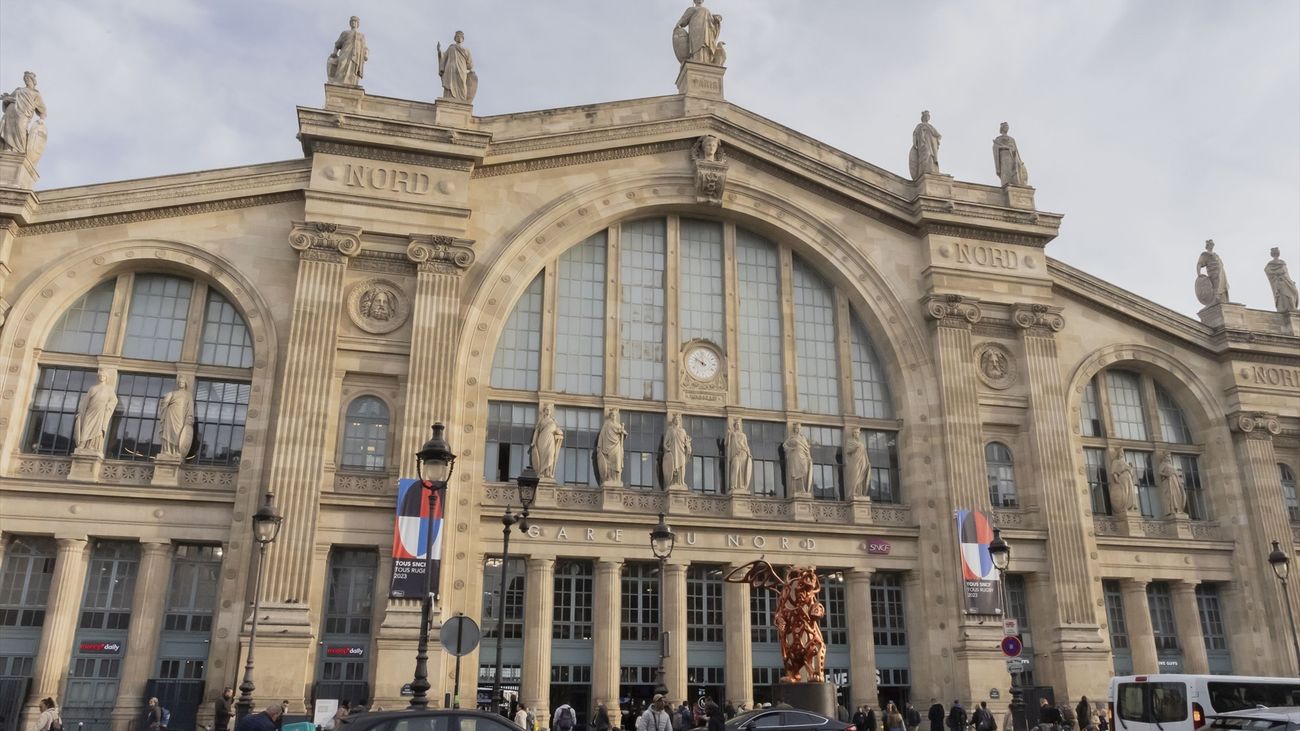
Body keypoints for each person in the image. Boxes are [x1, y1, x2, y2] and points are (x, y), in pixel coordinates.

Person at [0, 71, 46, 155]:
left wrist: (41, 120)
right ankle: (8, 148)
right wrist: (6, 99)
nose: (26, 80)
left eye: (28, 78)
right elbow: (9, 98)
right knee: (8, 130)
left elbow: (42, 109)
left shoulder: (36, 94)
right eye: (25, 78)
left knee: (20, 128)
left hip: (24, 114)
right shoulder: (18, 89)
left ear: (33, 80)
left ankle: (19, 150)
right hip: (10, 113)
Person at [326, 16, 368, 86]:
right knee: (342, 64)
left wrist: (366, 54)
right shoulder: (345, 33)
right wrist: (334, 53)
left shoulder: (361, 35)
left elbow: (364, 47)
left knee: (353, 69)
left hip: (356, 56)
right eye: (352, 21)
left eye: (355, 22)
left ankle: (351, 82)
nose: (353, 23)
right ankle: (339, 81)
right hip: (345, 52)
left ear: (357, 24)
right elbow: (338, 44)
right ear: (350, 23)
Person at [437, 31, 475, 102]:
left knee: (462, 83)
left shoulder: (466, 50)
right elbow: (444, 57)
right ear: (455, 38)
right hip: (450, 68)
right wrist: (439, 51)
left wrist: (470, 70)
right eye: (457, 36)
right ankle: (449, 97)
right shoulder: (451, 47)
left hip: (461, 69)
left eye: (460, 37)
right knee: (450, 83)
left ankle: (462, 100)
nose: (459, 38)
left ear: (463, 39)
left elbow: (470, 64)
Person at [909, 110, 942, 179]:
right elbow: (915, 134)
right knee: (926, 155)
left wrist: (936, 139)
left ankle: (932, 170)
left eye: (928, 116)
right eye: (926, 116)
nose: (927, 117)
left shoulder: (930, 126)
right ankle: (924, 170)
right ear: (923, 117)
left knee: (931, 157)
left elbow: (938, 135)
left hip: (931, 144)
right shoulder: (919, 125)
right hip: (923, 144)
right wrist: (914, 143)